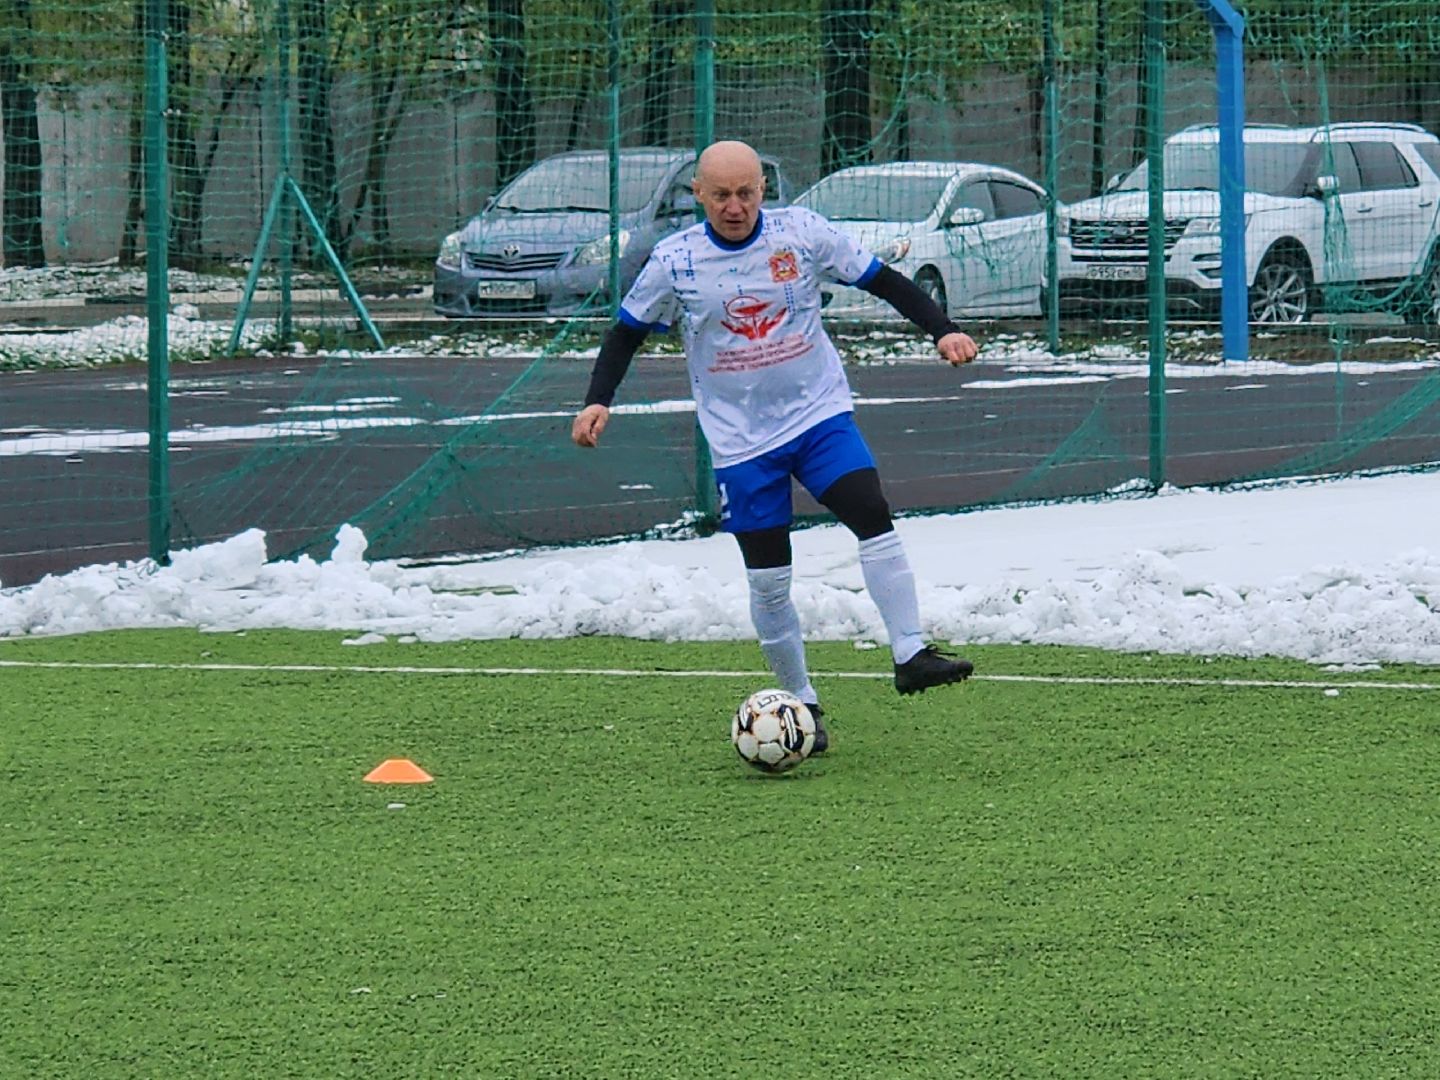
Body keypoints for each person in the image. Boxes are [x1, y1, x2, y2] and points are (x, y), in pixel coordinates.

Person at [572, 139, 976, 753]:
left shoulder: (802, 233)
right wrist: (598, 399)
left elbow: (884, 281)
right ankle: (803, 705)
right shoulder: (674, 260)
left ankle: (910, 651)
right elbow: (625, 333)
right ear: (699, 196)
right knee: (769, 579)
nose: (735, 207)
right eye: (721, 196)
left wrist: (942, 329)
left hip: (818, 416)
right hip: (740, 443)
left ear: (763, 188)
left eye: (747, 192)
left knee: (871, 511)